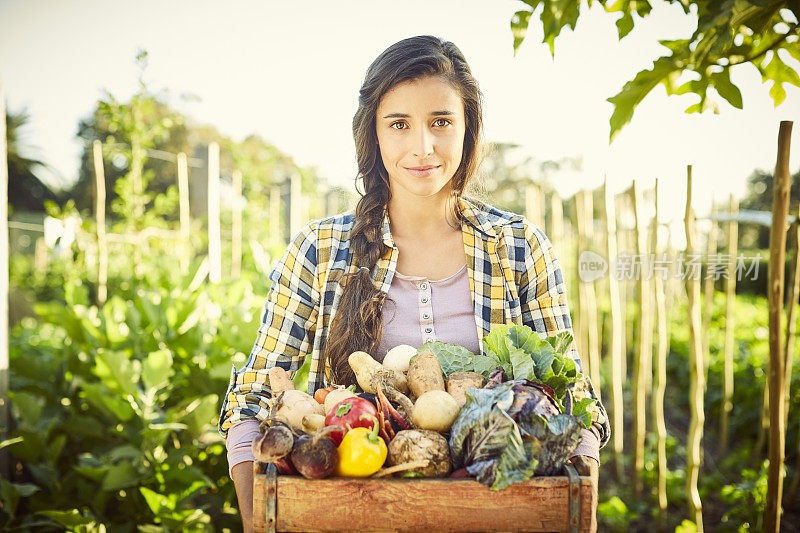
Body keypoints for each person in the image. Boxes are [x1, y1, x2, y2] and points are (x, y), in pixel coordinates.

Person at [218, 35, 610, 532]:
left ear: (469, 130)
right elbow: (252, 395)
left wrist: (577, 509)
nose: (422, 147)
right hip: (350, 516)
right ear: (374, 135)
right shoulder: (319, 250)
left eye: (441, 122)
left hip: (496, 514)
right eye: (399, 124)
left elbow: (573, 398)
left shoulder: (519, 248)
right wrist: (259, 518)